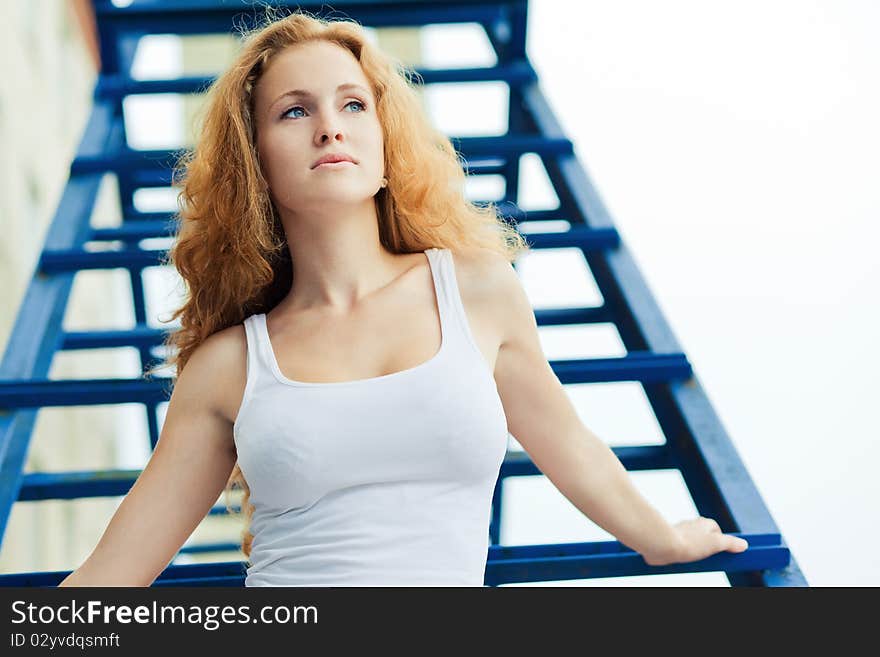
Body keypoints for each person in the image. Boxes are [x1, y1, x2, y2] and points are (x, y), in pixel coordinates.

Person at [59, 9, 747, 587]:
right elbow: (109, 576)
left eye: (352, 104)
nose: (330, 126)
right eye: (294, 111)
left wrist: (661, 537)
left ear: (385, 140)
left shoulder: (476, 292)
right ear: (256, 161)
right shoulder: (230, 367)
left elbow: (566, 441)